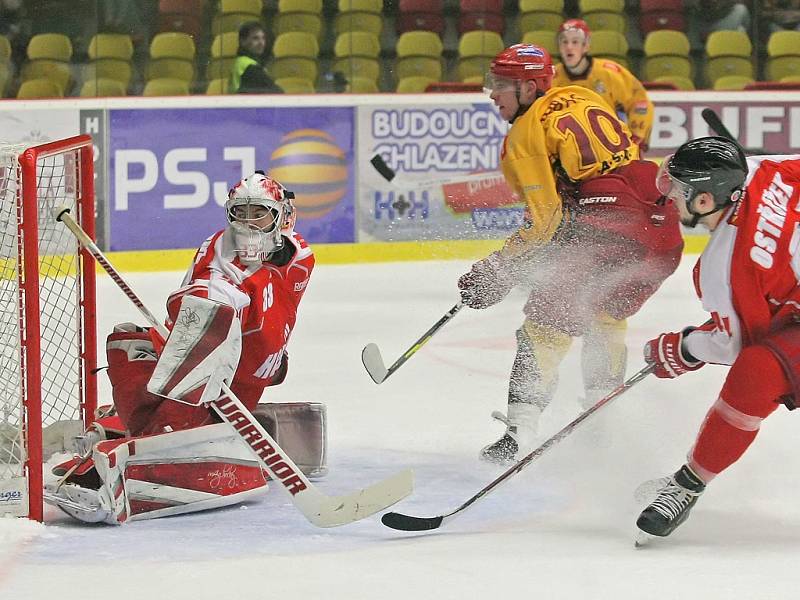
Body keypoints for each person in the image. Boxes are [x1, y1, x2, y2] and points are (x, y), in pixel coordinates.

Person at [45, 172, 319, 524]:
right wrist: (212, 308)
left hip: (240, 378)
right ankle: (139, 439)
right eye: (241, 212)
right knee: (126, 343)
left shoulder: (300, 256)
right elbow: (199, 301)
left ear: (282, 217)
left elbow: (267, 298)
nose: (248, 222)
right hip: (208, 366)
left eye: (259, 213)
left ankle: (130, 449)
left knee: (179, 353)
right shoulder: (221, 254)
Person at [463, 44, 684, 464]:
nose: (492, 94)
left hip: (609, 226)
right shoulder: (587, 96)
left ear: (529, 87)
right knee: (606, 317)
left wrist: (499, 268)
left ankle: (520, 431)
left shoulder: (522, 137)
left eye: (501, 86)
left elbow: (544, 223)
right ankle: (603, 424)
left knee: (547, 326)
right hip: (661, 227)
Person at [636, 139, 800, 540]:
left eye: (676, 188)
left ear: (705, 200)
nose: (668, 196)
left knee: (758, 371)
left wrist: (684, 347)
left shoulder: (722, 269)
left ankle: (685, 488)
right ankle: (688, 483)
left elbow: (736, 344)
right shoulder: (765, 168)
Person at [552, 19, 654, 152]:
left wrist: (637, 135)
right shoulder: (552, 77)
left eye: (575, 42)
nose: (569, 47)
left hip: (610, 147)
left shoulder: (609, 73)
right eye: (564, 42)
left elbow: (640, 102)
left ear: (586, 45)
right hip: (568, 150)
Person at [230, 21, 283, 94]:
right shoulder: (249, 66)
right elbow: (277, 92)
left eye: (263, 38)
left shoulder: (242, 62)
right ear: (243, 41)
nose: (261, 43)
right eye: (255, 38)